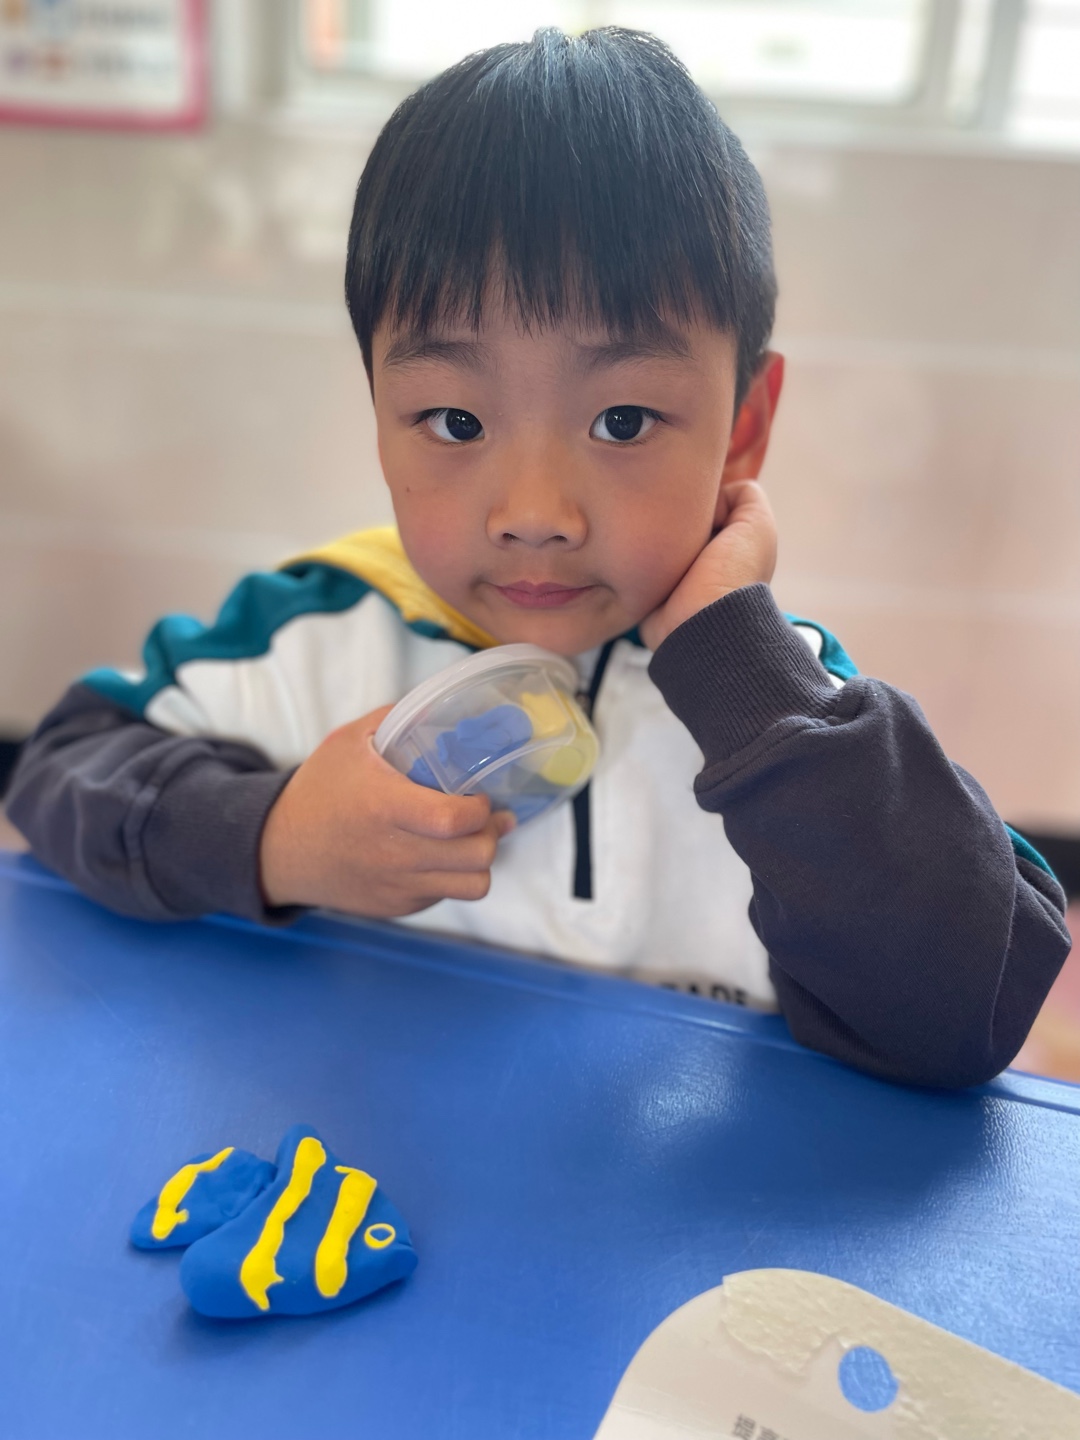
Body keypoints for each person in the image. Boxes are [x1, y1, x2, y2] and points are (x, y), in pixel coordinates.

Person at [7, 28, 1069, 1088]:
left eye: (622, 421)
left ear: (743, 427)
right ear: (379, 414)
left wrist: (738, 669)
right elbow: (58, 779)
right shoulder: (313, 635)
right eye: (456, 422)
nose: (534, 514)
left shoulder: (785, 720)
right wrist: (274, 834)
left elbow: (965, 1014)